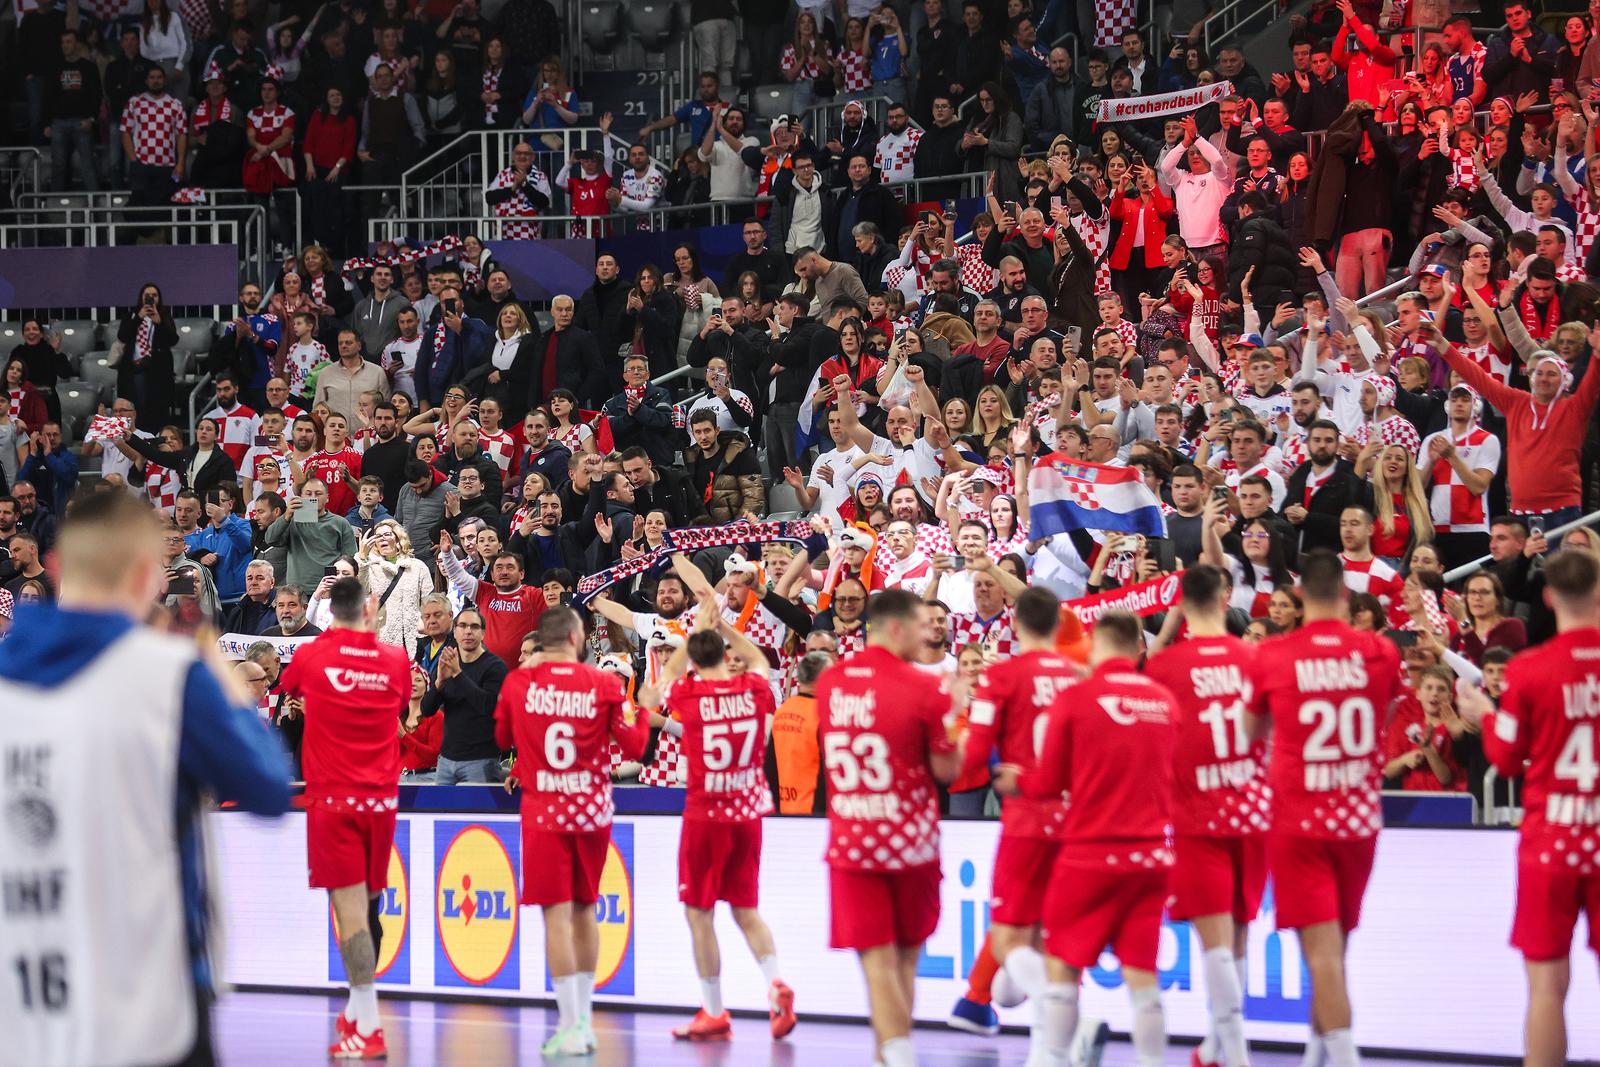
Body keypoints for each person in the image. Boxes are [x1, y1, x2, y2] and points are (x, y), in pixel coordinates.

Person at [0, 491, 290, 1067]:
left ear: (56, 569)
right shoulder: (170, 675)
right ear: (143, 576)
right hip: (151, 990)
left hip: (31, 986)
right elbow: (267, 786)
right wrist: (228, 685)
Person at [992, 609, 1177, 1067]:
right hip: (1152, 855)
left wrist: (1018, 782)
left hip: (1090, 855)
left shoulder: (1077, 698)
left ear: (1095, 646)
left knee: (1061, 971)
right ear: (1139, 649)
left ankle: (1054, 1057)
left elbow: (1050, 780)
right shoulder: (1164, 702)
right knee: (1143, 981)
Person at [1248, 549, 1403, 1067]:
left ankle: (1341, 1055)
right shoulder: (1380, 652)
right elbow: (1384, 710)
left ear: (1296, 596)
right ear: (1344, 594)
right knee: (1335, 950)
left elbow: (1250, 732)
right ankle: (1319, 1051)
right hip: (1359, 817)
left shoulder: (1274, 654)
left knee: (1322, 955)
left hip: (1298, 819)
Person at [636, 592, 797, 1041]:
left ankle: (713, 1010)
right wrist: (723, 627)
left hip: (706, 814)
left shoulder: (688, 693)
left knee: (699, 913)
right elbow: (755, 658)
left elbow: (660, 682)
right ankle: (776, 982)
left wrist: (695, 632)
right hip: (749, 812)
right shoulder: (755, 687)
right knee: (747, 909)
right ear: (726, 653)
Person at [493, 607, 649, 1056]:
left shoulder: (519, 683)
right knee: (586, 910)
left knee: (555, 918)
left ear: (541, 641)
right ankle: (584, 1022)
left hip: (545, 813)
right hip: (593, 812)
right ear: (578, 639)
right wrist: (646, 707)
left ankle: (570, 1025)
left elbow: (503, 738)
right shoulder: (603, 683)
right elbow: (637, 746)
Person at [816, 587, 960, 1067]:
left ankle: (890, 1057)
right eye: (921, 626)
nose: (928, 635)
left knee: (879, 965)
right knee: (904, 963)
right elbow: (948, 771)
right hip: (912, 845)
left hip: (853, 842)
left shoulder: (832, 683)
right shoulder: (926, 688)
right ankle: (900, 1058)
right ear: (896, 628)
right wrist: (963, 718)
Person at [1466, 549, 1600, 1067]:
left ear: (1547, 597)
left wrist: (1483, 712)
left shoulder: (1530, 669)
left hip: (1551, 842)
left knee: (1546, 986)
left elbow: (1507, 758)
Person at [278, 575, 410, 1059]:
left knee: (351, 914)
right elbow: (398, 708)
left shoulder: (313, 653)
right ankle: (357, 1011)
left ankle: (369, 1024)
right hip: (382, 802)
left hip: (335, 801)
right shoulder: (395, 659)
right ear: (369, 610)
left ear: (330, 609)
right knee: (369, 909)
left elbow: (285, 683)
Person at [1144, 565, 1266, 1067]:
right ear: (1225, 598)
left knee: (1215, 938)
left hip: (1198, 813)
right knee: (1238, 929)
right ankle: (1218, 1045)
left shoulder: (1166, 668)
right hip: (1254, 808)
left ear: (1180, 604)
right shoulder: (1255, 657)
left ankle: (1232, 1049)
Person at [946, 588, 1079, 1037]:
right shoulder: (1081, 676)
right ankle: (981, 1001)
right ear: (1059, 624)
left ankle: (1060, 1023)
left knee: (1010, 923)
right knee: (1052, 926)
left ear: (1016, 624)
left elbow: (975, 753)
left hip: (1027, 817)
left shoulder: (1000, 679)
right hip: (1077, 819)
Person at [420, 606, 508, 784]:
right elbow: (426, 710)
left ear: (483, 633)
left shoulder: (495, 666)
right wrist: (439, 684)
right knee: (440, 811)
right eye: (463, 626)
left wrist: (458, 674)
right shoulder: (449, 662)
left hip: (481, 760)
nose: (468, 631)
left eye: (474, 627)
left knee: (475, 811)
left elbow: (488, 707)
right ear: (455, 630)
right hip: (446, 760)